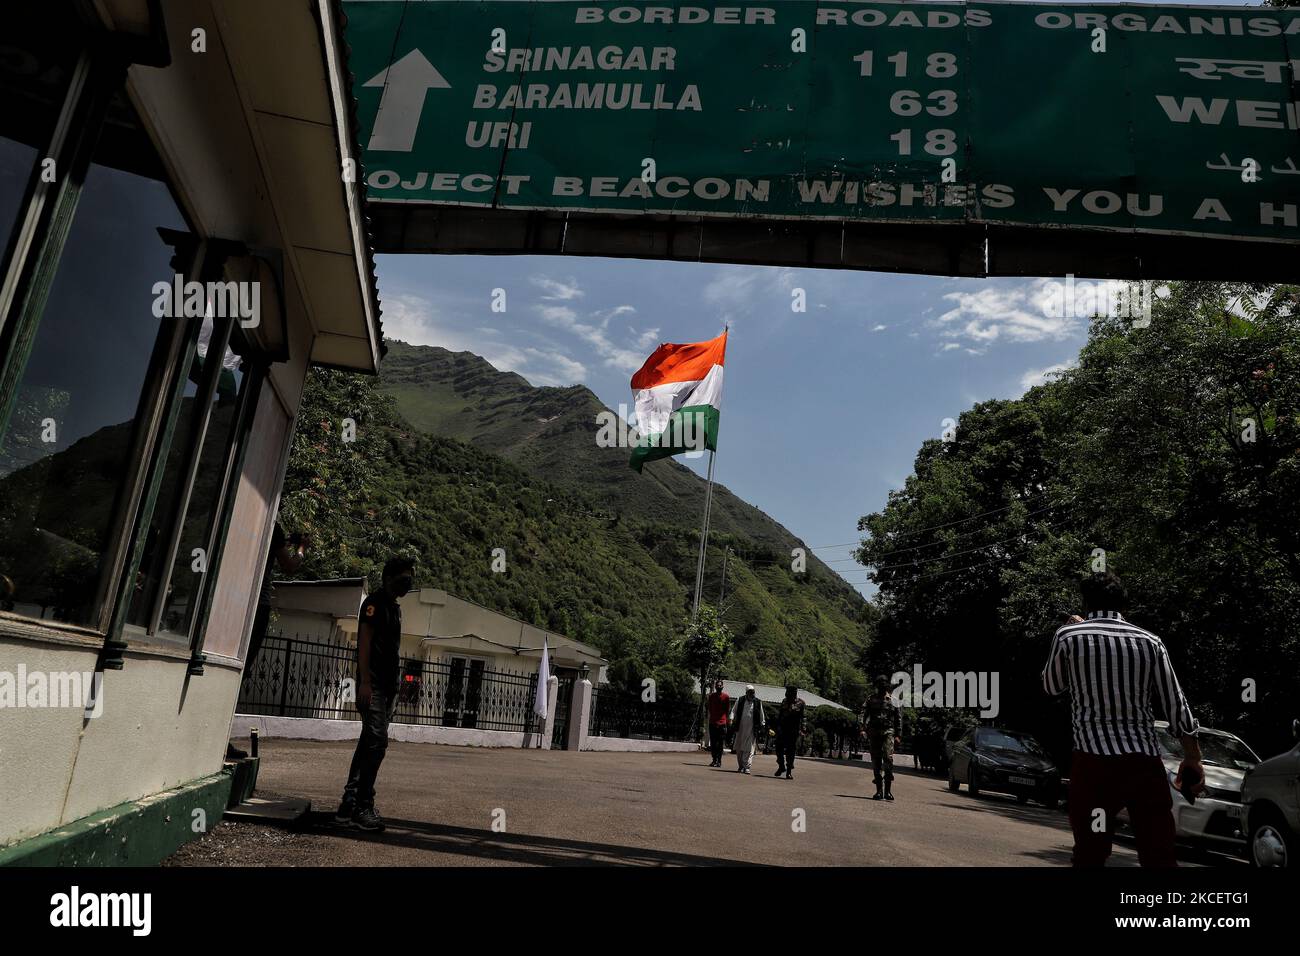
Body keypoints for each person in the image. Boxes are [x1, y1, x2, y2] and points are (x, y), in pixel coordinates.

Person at [1043, 571, 1204, 867]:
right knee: (1158, 853)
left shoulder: (1068, 636)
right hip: (1143, 766)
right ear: (1124, 605)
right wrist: (1192, 756)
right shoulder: (1151, 641)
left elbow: (1051, 686)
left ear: (1086, 602)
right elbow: (1175, 702)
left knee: (1091, 851)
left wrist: (1071, 638)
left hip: (1093, 766)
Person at [335, 556, 415, 831]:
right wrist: (365, 682)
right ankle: (362, 806)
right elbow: (365, 644)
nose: (408, 582)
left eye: (411, 577)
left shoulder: (395, 608)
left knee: (368, 743)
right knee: (377, 744)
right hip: (374, 685)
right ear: (389, 577)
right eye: (404, 577)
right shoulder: (373, 604)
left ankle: (348, 805)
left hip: (388, 686)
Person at [227, 521, 307, 760]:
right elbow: (290, 565)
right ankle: (222, 736)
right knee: (240, 670)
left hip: (231, 593)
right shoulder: (272, 526)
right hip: (256, 603)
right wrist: (302, 548)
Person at [862, 675, 902, 800]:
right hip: (874, 732)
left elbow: (898, 718)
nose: (882, 685)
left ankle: (888, 791)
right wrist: (862, 729)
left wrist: (898, 735)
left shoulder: (893, 700)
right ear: (876, 685)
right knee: (876, 761)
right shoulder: (870, 699)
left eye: (884, 683)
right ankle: (879, 790)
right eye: (880, 683)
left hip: (888, 732)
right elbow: (863, 714)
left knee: (888, 758)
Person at [729, 684, 765, 774]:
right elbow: (733, 710)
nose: (752, 694)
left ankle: (747, 766)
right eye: (750, 693)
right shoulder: (740, 700)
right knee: (739, 748)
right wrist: (731, 719)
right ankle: (741, 766)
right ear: (746, 693)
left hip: (752, 729)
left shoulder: (757, 702)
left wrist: (762, 724)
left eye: (753, 693)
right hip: (740, 728)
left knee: (749, 749)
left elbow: (761, 714)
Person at [773, 685, 805, 779]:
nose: (786, 694)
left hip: (793, 731)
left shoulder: (800, 703)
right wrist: (776, 727)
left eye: (788, 692)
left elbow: (803, 717)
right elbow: (780, 715)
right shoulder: (784, 701)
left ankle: (789, 771)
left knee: (790, 751)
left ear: (794, 693)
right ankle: (781, 766)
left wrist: (803, 729)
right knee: (778, 749)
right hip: (782, 729)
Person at [706, 679, 730, 767]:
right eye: (717, 685)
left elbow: (727, 710)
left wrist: (726, 722)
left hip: (722, 723)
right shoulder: (711, 696)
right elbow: (709, 708)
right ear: (715, 687)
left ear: (722, 687)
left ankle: (719, 761)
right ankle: (714, 760)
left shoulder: (726, 697)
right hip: (713, 722)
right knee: (713, 742)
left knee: (720, 743)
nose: (719, 687)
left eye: (720, 685)